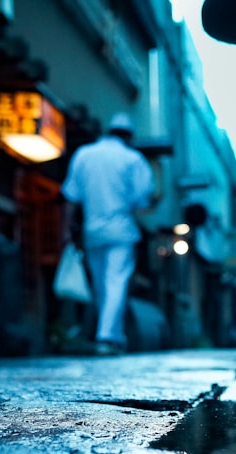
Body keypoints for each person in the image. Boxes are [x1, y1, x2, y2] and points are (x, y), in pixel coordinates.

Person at [61, 112, 157, 356]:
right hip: (121, 229)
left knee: (101, 284)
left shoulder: (84, 154)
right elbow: (142, 199)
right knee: (116, 280)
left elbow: (70, 197)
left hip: (92, 230)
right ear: (129, 136)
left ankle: (110, 334)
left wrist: (65, 229)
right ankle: (108, 336)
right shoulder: (132, 159)